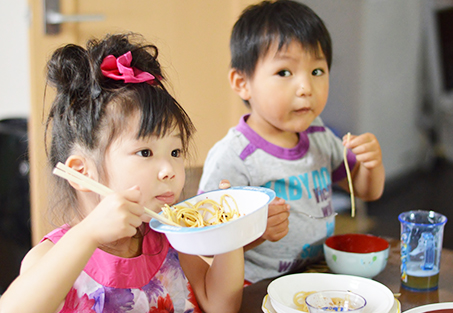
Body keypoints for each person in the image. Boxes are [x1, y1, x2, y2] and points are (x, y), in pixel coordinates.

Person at [0, 33, 244, 313]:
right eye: (145, 152)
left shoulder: (170, 238)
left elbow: (221, 307)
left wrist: (230, 231)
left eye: (175, 152)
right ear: (83, 172)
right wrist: (88, 234)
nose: (169, 171)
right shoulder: (54, 255)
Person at [198, 0, 385, 285]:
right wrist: (256, 232)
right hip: (257, 287)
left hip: (318, 274)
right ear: (242, 82)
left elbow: (364, 190)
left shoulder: (318, 133)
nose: (306, 88)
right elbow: (204, 244)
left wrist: (371, 164)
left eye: (317, 71)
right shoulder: (234, 157)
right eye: (284, 72)